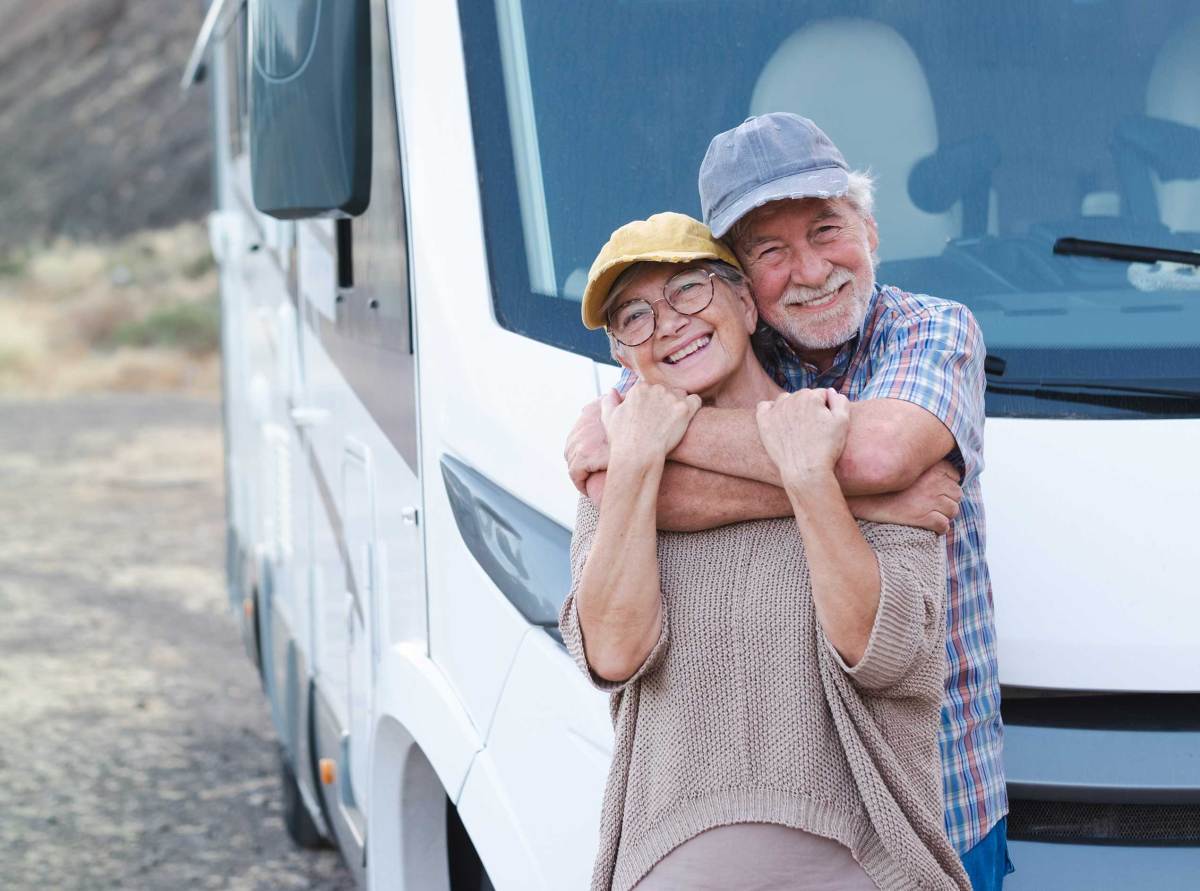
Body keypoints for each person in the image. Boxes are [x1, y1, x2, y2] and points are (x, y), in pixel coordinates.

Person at [565, 115, 1010, 889]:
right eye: (771, 250)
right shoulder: (695, 348)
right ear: (744, 283)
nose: (809, 269)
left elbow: (874, 454)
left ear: (869, 230)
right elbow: (608, 480)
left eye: (828, 229)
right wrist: (855, 496)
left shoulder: (929, 330)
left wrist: (660, 442)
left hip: (939, 798)